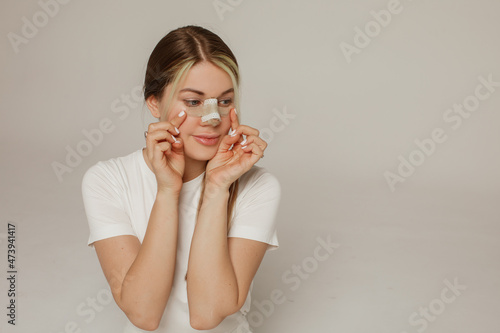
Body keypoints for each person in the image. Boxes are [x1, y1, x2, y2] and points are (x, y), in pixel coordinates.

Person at [81, 25, 281, 332]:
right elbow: (143, 314)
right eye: (193, 102)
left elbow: (207, 314)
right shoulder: (107, 180)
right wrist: (167, 190)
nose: (213, 119)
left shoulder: (258, 186)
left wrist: (216, 188)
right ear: (154, 103)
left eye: (225, 101)